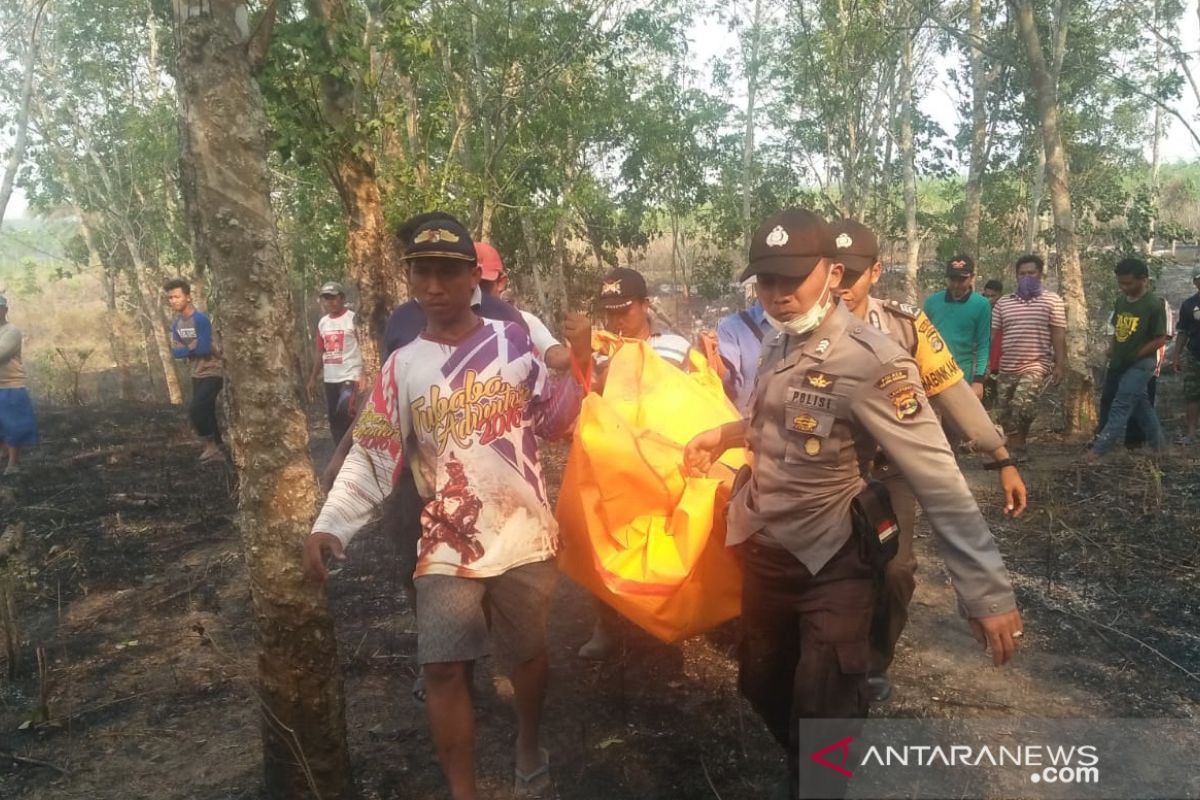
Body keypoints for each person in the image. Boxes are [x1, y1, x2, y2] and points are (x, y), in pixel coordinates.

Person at [684, 209, 1022, 800]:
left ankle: (819, 777)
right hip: (765, 552)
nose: (779, 294)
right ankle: (814, 765)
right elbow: (775, 421)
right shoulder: (775, 340)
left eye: (793, 279)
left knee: (824, 705)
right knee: (761, 683)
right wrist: (727, 434)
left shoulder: (875, 359)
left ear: (832, 272)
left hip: (833, 560)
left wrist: (986, 593)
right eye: (765, 282)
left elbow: (938, 476)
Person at [303, 217, 591, 800]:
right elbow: (375, 451)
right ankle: (464, 791)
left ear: (472, 280)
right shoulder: (403, 364)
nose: (434, 286)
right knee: (439, 666)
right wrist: (331, 525)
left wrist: (579, 363)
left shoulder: (514, 343)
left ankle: (528, 743)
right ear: (410, 280)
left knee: (527, 656)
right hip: (448, 537)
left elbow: (557, 421)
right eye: (422, 272)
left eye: (447, 273)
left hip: (523, 532)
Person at [831, 219, 1027, 702]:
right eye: (831, 273)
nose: (840, 287)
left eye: (851, 275)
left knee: (896, 570)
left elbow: (955, 395)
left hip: (889, 471)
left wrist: (1001, 457)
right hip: (829, 472)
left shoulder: (904, 325)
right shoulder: (796, 329)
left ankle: (876, 661)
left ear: (875, 272)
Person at [575, 266, 697, 659]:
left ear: (645, 305)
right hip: (617, 465)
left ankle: (674, 613)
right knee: (603, 537)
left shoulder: (675, 348)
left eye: (625, 309)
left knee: (669, 539)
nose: (617, 319)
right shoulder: (600, 352)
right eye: (609, 311)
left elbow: (700, 399)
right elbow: (585, 401)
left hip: (665, 461)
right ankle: (606, 624)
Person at [1087, 257, 1166, 459]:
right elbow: (1117, 329)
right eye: (1121, 283)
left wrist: (1134, 355)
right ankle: (1160, 447)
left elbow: (1159, 339)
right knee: (1142, 406)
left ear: (1143, 280)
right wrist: (1113, 350)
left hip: (1141, 364)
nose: (1123, 287)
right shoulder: (1121, 301)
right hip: (1120, 362)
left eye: (1128, 283)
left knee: (1120, 405)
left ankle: (1099, 450)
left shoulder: (1153, 305)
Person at [990, 254, 1067, 453]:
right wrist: (985, 363)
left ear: (1040, 274)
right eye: (1022, 273)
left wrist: (1059, 364)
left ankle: (1019, 446)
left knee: (1022, 406)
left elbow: (1058, 333)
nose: (1026, 277)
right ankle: (1015, 449)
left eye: (1031, 273)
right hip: (1007, 365)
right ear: (1016, 276)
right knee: (1004, 413)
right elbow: (992, 334)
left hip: (1036, 363)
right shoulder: (1003, 303)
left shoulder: (1052, 300)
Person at [476, 241, 571, 371]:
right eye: (470, 288)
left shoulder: (522, 320)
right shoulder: (449, 327)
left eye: (483, 286)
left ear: (501, 283)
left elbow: (555, 356)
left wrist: (582, 350)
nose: (478, 294)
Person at [164, 278, 224, 463]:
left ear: (188, 297)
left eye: (177, 296)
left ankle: (210, 446)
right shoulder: (176, 325)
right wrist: (192, 346)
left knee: (196, 409)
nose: (173, 301)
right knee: (207, 411)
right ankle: (220, 449)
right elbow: (176, 352)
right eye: (170, 298)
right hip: (196, 373)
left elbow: (205, 348)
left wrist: (188, 348)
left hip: (213, 371)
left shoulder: (200, 320)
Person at [923, 255, 992, 397]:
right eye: (952, 279)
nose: (956, 284)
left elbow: (983, 344)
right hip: (933, 372)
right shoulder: (932, 302)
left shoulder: (981, 305)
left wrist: (978, 380)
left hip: (962, 373)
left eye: (961, 280)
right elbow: (922, 338)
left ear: (972, 277)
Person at [306, 282, 365, 445]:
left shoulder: (353, 319)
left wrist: (363, 373)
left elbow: (364, 346)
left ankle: (356, 445)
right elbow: (320, 351)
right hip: (331, 378)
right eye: (326, 298)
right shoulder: (323, 323)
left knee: (345, 410)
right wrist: (313, 378)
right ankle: (340, 453)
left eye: (333, 298)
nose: (330, 302)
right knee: (333, 418)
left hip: (350, 374)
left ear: (342, 298)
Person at [715, 287, 772, 414]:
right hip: (748, 425)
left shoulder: (808, 327)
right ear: (757, 284)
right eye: (769, 282)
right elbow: (728, 389)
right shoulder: (730, 327)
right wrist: (713, 360)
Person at [0, 296, 38, 475]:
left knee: (13, 425)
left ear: (5, 310)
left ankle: (14, 463)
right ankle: (4, 454)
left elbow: (1, 353)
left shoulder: (11, 332)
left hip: (9, 385)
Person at [1171, 271, 1200, 444]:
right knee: (1192, 394)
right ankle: (1191, 433)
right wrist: (1176, 356)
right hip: (1194, 355)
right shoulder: (1189, 305)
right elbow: (1182, 332)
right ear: (1195, 282)